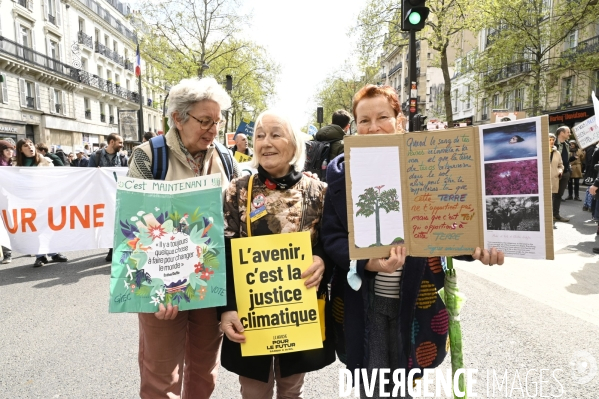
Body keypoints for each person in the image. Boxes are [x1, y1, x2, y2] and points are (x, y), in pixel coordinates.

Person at [320, 84, 504, 398]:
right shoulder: (340, 177)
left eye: (382, 117)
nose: (373, 126)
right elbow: (332, 237)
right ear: (354, 127)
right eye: (364, 120)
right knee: (372, 383)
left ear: (400, 120)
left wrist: (476, 248)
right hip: (364, 302)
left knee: (405, 380)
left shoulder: (427, 165)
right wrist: (367, 262)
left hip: (416, 298)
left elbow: (447, 226)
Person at [127, 77, 239, 399]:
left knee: (204, 372)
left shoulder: (226, 158)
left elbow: (234, 220)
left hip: (208, 282)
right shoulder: (149, 156)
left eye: (217, 122)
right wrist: (157, 288)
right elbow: (135, 228)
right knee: (161, 377)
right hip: (161, 288)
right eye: (205, 121)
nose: (213, 130)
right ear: (178, 117)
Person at [218, 109, 334, 398]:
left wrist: (322, 259)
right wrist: (227, 307)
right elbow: (223, 253)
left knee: (292, 389)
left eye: (275, 134)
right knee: (254, 391)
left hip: (297, 311)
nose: (265, 142)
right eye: (259, 135)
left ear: (294, 144)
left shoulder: (318, 191)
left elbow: (332, 242)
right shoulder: (238, 190)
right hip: (250, 312)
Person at [15, 139, 69, 267]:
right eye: (25, 146)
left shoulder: (47, 162)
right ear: (20, 150)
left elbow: (54, 180)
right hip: (27, 202)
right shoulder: (15, 166)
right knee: (34, 229)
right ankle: (40, 256)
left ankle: (54, 253)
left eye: (31, 144)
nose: (29, 147)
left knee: (49, 226)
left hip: (46, 200)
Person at [0, 139, 15, 263]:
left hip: (13, 199)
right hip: (2, 199)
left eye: (11, 149)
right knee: (3, 226)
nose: (10, 151)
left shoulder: (14, 163)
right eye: (6, 149)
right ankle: (7, 253)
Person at [554, 126, 571, 222]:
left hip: (565, 173)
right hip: (555, 173)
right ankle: (549, 214)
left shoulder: (567, 144)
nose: (569, 134)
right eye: (568, 132)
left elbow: (565, 159)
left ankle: (556, 214)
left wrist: (569, 169)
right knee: (552, 194)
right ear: (561, 133)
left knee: (559, 195)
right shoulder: (552, 144)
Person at [549, 133, 564, 230]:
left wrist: (560, 171)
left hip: (554, 178)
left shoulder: (557, 153)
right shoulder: (540, 151)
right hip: (543, 180)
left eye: (553, 139)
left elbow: (560, 165)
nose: (551, 141)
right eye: (549, 139)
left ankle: (550, 221)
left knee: (551, 200)